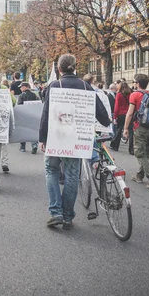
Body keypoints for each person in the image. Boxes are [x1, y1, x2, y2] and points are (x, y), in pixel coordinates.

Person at [39, 54, 111, 229]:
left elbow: (46, 114)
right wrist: (108, 124)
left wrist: (42, 138)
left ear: (60, 69)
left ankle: (55, 212)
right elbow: (103, 117)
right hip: (78, 138)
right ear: (75, 67)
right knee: (72, 175)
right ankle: (67, 215)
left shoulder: (55, 85)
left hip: (57, 137)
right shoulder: (87, 87)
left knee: (51, 170)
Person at [123, 74, 149, 189]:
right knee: (146, 152)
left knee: (139, 153)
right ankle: (139, 176)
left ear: (137, 83)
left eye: (134, 81)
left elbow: (130, 113)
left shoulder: (134, 95)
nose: (133, 83)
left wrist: (125, 128)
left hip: (140, 127)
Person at [17, 82, 40, 154]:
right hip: (33, 115)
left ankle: (23, 147)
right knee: (33, 130)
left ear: (25, 87)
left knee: (23, 131)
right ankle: (34, 145)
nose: (20, 88)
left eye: (21, 87)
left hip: (24, 115)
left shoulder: (21, 95)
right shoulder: (34, 94)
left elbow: (19, 106)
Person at [110, 81, 132, 151]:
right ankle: (131, 149)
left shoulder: (119, 95)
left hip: (121, 114)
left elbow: (116, 107)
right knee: (131, 131)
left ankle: (115, 146)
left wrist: (115, 117)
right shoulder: (130, 94)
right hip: (128, 114)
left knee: (118, 130)